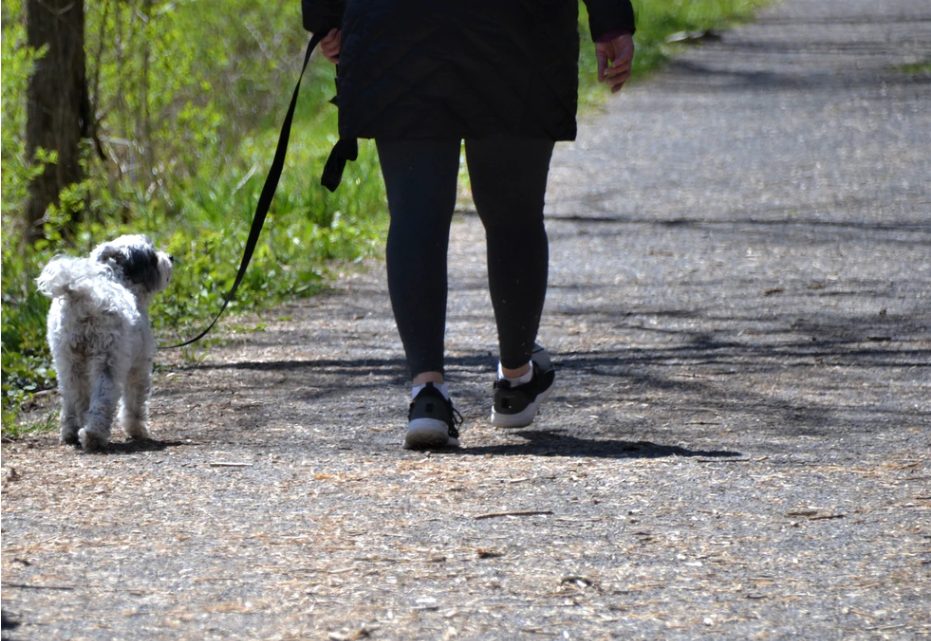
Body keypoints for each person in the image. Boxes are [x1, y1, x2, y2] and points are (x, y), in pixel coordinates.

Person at [309, 1, 636, 450]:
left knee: (415, 214)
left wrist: (326, 14)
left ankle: (427, 394)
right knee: (514, 214)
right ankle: (517, 379)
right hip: (517, 29)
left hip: (398, 26)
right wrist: (611, 19)